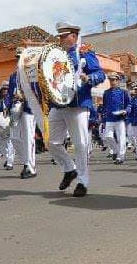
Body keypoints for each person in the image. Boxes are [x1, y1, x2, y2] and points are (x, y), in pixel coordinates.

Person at [48, 22, 105, 197]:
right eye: (60, 36)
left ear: (74, 36)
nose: (61, 39)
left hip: (79, 104)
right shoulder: (55, 55)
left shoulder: (84, 52)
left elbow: (100, 74)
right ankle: (69, 169)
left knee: (81, 144)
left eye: (64, 36)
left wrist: (88, 77)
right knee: (52, 142)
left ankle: (82, 181)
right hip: (58, 104)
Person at [6, 47, 37, 178]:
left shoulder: (33, 73)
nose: (19, 60)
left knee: (28, 137)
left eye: (21, 58)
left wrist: (24, 96)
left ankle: (29, 167)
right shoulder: (13, 76)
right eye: (17, 58)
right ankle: (26, 161)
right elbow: (9, 94)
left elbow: (37, 91)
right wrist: (7, 105)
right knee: (14, 137)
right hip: (15, 109)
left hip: (29, 107)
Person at [101, 72, 130, 164]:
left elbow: (129, 104)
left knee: (121, 138)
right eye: (111, 80)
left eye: (114, 80)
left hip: (120, 118)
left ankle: (120, 157)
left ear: (118, 81)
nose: (112, 82)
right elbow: (104, 106)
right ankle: (116, 151)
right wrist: (103, 119)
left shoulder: (123, 93)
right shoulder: (106, 93)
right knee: (108, 137)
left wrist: (126, 110)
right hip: (109, 118)